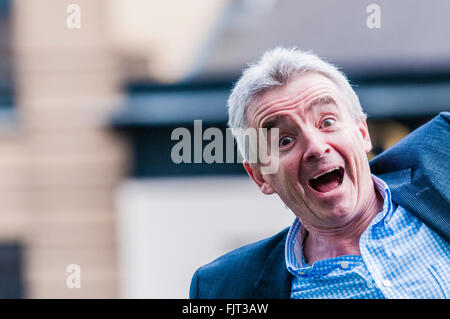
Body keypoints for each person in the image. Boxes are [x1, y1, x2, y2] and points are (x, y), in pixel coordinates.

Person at [189, 47, 450, 299]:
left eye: (327, 122)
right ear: (260, 175)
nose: (315, 147)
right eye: (284, 140)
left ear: (362, 133)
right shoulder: (224, 289)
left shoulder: (443, 160)